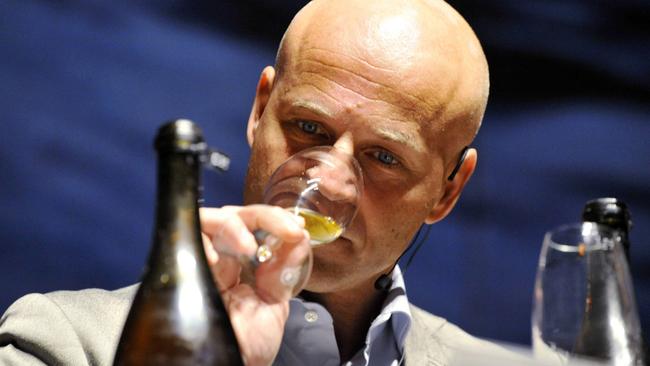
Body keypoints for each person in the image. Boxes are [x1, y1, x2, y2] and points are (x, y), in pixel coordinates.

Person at [0, 0, 515, 365]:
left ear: (449, 189)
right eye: (309, 128)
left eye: (383, 157)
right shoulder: (64, 345)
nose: (330, 183)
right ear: (260, 109)